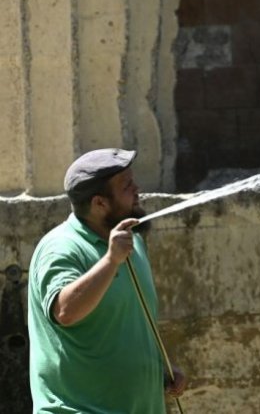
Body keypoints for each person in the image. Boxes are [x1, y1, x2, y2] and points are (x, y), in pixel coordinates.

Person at [27, 148, 186, 413]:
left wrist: (161, 365)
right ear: (99, 203)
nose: (137, 190)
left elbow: (131, 318)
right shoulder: (61, 248)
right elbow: (65, 311)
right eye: (127, 186)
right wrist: (111, 261)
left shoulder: (130, 241)